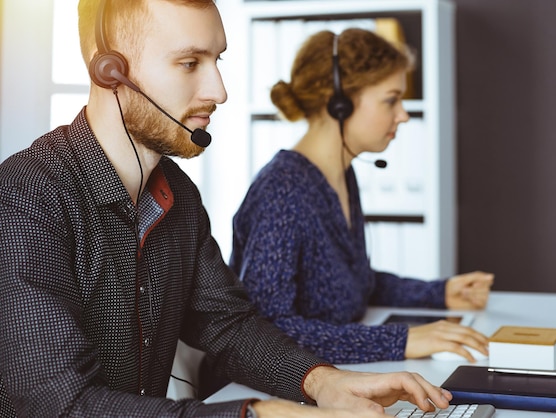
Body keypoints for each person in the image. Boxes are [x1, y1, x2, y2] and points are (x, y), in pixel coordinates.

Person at [0, 1, 454, 417]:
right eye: (189, 63)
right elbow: (57, 403)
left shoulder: (178, 196)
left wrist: (323, 381)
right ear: (110, 68)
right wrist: (259, 414)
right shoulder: (26, 198)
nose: (219, 91)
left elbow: (228, 324)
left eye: (217, 61)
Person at [229, 28, 495, 365]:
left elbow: (358, 284)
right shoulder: (281, 191)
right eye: (391, 99)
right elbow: (266, 330)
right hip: (267, 394)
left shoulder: (339, 174)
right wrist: (400, 340)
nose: (403, 114)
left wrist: (440, 293)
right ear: (338, 105)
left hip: (329, 375)